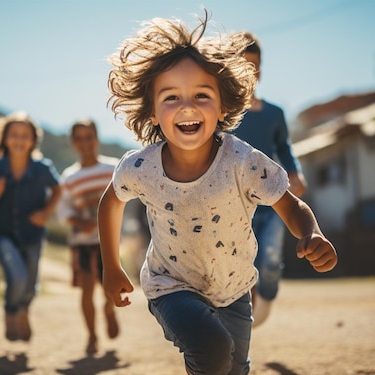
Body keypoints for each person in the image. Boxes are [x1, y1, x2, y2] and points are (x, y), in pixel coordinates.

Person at [98, 10, 338, 375]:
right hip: (170, 285)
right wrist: (111, 266)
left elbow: (290, 205)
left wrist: (311, 232)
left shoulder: (243, 160)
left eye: (201, 95)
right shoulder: (140, 167)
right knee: (212, 349)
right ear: (151, 112)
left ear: (224, 104)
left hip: (234, 289)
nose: (188, 106)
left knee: (234, 368)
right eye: (171, 98)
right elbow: (110, 202)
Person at [229, 31, 308, 328]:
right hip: (237, 204)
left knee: (271, 257)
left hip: (273, 201)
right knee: (241, 263)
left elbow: (285, 148)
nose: (252, 72)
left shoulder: (275, 113)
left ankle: (268, 295)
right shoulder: (224, 115)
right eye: (244, 65)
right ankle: (244, 314)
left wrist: (295, 172)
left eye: (256, 65)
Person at [0, 111, 62, 342]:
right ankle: (10, 313)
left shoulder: (42, 168)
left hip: (32, 235)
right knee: (17, 276)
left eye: (25, 135)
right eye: (14, 135)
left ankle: (24, 309)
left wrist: (46, 212)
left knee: (30, 284)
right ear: (5, 138)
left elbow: (58, 189)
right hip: (1, 234)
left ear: (33, 140)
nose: (19, 140)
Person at [57, 118, 120, 355]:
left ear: (97, 138)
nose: (85, 143)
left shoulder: (112, 169)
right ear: (73, 143)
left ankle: (109, 309)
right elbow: (64, 210)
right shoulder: (69, 177)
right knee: (86, 288)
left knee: (108, 288)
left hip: (108, 242)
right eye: (79, 139)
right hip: (81, 242)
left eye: (89, 137)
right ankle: (92, 336)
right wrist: (77, 221)